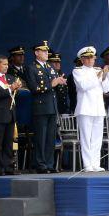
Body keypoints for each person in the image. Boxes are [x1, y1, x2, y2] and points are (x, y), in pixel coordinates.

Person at [23, 41, 65, 174]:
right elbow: (34, 88)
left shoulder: (49, 67)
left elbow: (54, 84)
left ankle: (50, 163)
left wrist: (59, 82)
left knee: (50, 137)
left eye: (47, 51)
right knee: (41, 137)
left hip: (52, 106)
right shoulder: (31, 68)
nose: (47, 53)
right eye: (44, 51)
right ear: (36, 52)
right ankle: (40, 164)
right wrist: (51, 84)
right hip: (40, 107)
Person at [0, 55, 22, 175]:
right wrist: (10, 89)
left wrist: (16, 88)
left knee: (8, 142)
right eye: (4, 64)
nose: (6, 66)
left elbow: (13, 93)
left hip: (10, 113)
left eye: (7, 64)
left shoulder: (10, 78)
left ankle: (8, 167)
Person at [73, 47, 108, 172]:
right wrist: (98, 76)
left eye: (92, 57)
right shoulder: (78, 71)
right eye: (87, 57)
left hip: (98, 108)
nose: (91, 59)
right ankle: (88, 164)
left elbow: (106, 89)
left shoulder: (98, 70)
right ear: (82, 59)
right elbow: (84, 86)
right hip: (85, 108)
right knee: (86, 137)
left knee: (97, 138)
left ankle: (96, 163)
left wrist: (104, 77)